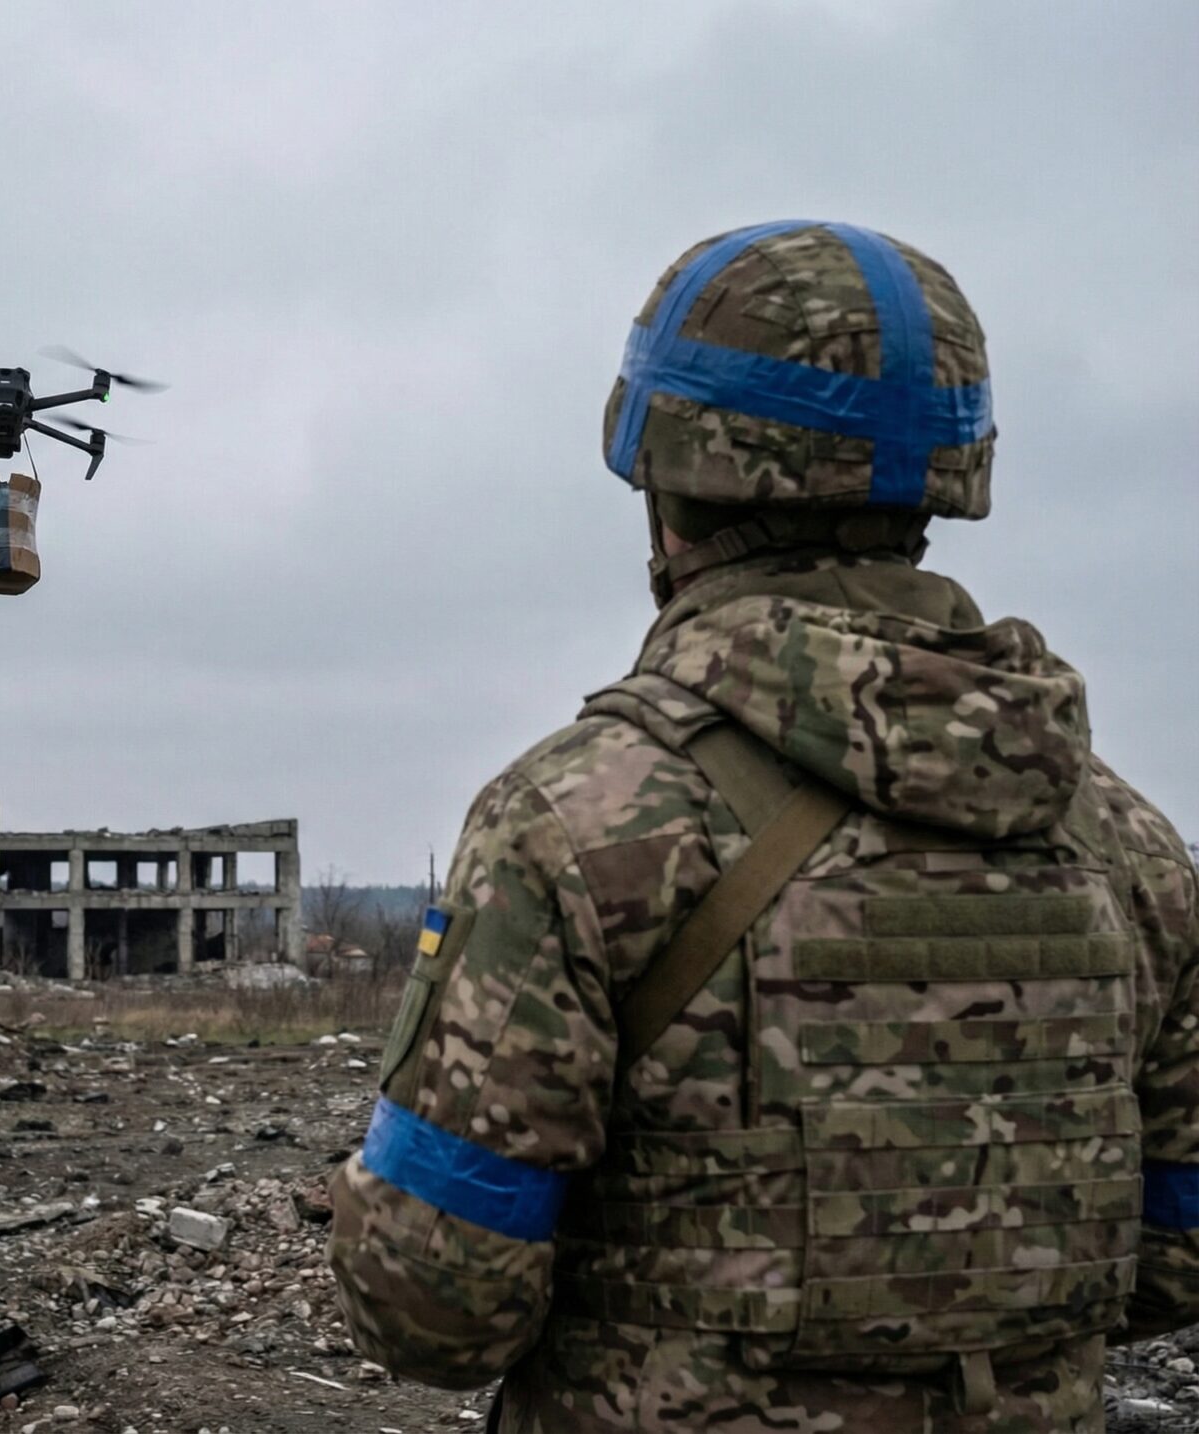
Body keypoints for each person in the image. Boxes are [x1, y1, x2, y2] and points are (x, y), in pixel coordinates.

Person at [327, 219, 1199, 1432]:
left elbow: (434, 1309)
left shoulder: (577, 825)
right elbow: (1173, 1257)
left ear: (667, 483)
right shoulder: (1130, 848)